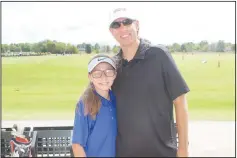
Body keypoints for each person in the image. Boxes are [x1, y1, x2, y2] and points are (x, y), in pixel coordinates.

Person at [109, 8, 190, 157]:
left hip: (162, 152)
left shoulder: (159, 55)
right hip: (125, 153)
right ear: (112, 32)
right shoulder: (113, 66)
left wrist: (183, 149)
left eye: (127, 22)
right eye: (116, 25)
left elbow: (180, 101)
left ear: (137, 25)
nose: (122, 28)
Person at [71, 54, 117, 157]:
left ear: (115, 74)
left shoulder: (117, 99)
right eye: (97, 73)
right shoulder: (85, 104)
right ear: (90, 77)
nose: (104, 77)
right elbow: (77, 145)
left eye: (108, 72)